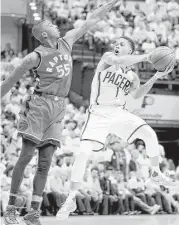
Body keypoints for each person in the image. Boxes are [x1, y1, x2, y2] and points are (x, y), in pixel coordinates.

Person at [1, 1, 120, 224]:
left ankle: (33, 212)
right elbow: (9, 82)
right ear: (44, 34)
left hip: (59, 107)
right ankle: (10, 209)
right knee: (26, 156)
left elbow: (88, 22)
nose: (56, 25)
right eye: (51, 24)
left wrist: (106, 8)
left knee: (45, 162)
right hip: (39, 106)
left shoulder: (66, 42)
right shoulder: (34, 57)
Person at [56, 37, 175, 220]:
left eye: (121, 44)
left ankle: (155, 171)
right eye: (116, 43)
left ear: (130, 50)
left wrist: (155, 76)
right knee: (82, 154)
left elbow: (137, 95)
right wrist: (149, 56)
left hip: (119, 113)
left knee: (149, 134)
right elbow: (118, 61)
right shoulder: (107, 58)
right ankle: (71, 198)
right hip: (97, 114)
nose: (116, 45)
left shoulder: (132, 75)